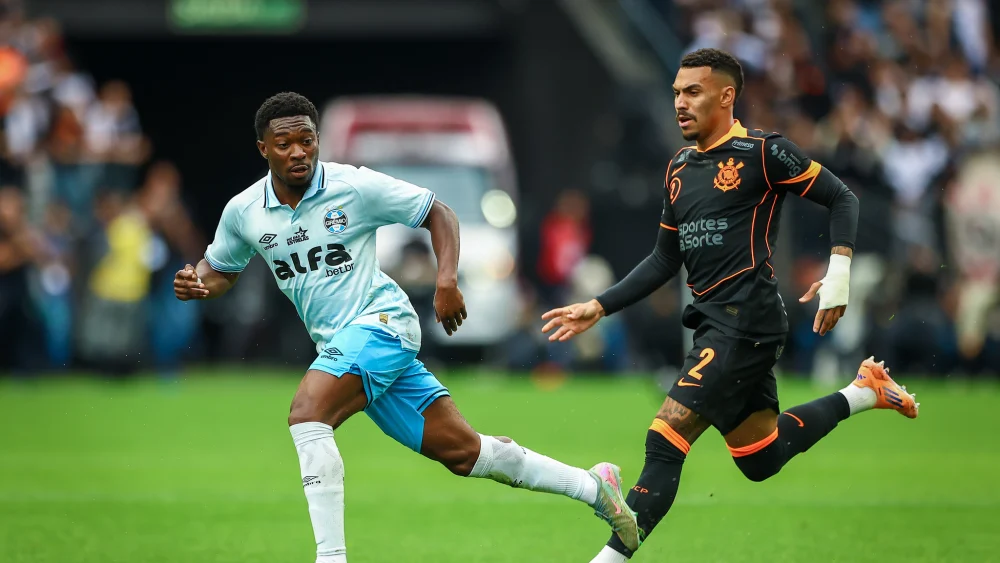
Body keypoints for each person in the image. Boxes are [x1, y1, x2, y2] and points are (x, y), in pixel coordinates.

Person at [173, 92, 639, 563]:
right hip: (343, 345)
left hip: (382, 323)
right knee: (468, 454)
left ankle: (330, 558)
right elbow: (221, 270)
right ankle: (593, 486)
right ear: (263, 149)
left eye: (306, 140)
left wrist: (446, 281)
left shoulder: (352, 186)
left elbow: (440, 213)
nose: (298, 152)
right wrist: (198, 284)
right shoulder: (244, 211)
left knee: (308, 414)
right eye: (284, 144)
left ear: (317, 141)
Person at [540, 49, 920, 563]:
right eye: (676, 92)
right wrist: (599, 306)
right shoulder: (678, 168)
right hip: (714, 325)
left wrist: (839, 271)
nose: (680, 102)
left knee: (665, 435)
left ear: (726, 96)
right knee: (760, 457)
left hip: (747, 320)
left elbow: (842, 198)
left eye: (692, 92)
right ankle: (863, 392)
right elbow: (663, 259)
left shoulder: (764, 152)